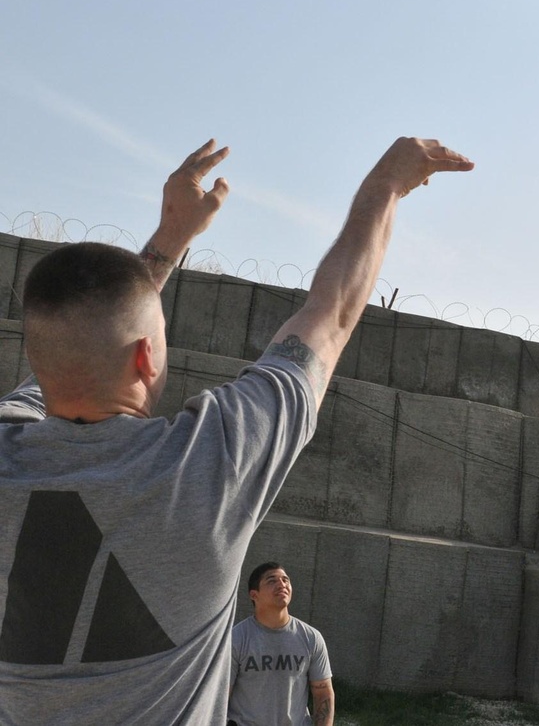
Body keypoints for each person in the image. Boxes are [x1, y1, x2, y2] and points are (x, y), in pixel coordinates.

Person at [0, 136, 474, 724]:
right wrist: (385, 187)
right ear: (147, 358)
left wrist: (168, 241)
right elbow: (329, 316)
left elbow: (71, 350)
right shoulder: (208, 462)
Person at [228, 562, 334, 726]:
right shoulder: (236, 638)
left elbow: (323, 692)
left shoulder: (311, 638)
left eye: (285, 580)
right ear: (254, 595)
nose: (282, 584)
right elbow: (221, 695)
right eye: (272, 580)